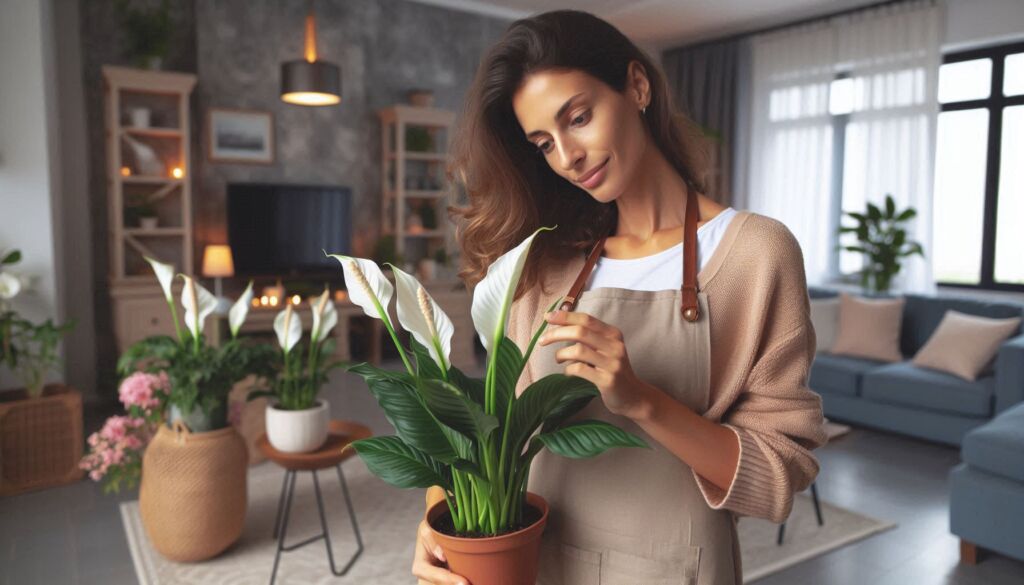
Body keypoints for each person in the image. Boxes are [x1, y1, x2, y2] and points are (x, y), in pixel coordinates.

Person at [412, 9, 828, 585]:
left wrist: (641, 399)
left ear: (637, 86)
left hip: (676, 569)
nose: (567, 157)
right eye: (543, 144)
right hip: (539, 561)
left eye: (578, 118)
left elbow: (780, 473)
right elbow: (486, 425)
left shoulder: (755, 254)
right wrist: (439, 524)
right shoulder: (544, 262)